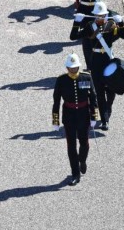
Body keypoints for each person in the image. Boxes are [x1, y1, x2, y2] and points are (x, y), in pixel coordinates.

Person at [70, 1, 124, 130]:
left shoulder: (112, 26)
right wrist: (77, 22)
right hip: (95, 61)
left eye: (102, 15)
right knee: (99, 91)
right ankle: (105, 120)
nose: (100, 18)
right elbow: (73, 36)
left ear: (106, 15)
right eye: (97, 15)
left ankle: (108, 109)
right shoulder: (90, 26)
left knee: (111, 90)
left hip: (108, 60)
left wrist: (121, 23)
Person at [52, 53, 99, 186]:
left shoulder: (86, 77)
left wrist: (94, 116)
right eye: (70, 68)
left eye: (75, 67)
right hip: (69, 115)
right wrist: (55, 120)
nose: (73, 70)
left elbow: (93, 97)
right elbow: (56, 101)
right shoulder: (61, 80)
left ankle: (82, 160)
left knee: (84, 143)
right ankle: (75, 173)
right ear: (67, 68)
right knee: (71, 145)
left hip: (84, 114)